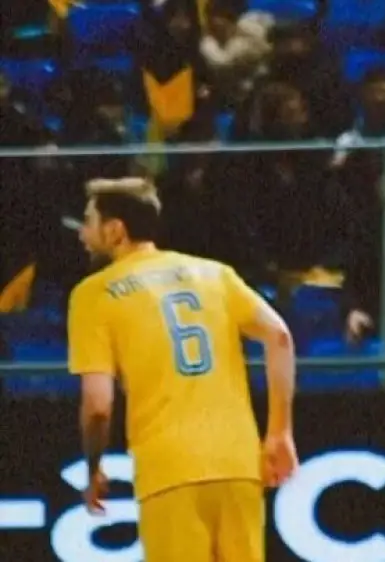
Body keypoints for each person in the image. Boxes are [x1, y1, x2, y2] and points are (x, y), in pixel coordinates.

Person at [68, 177, 298, 562]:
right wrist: (279, 432)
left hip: (169, 470)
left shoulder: (93, 295)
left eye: (89, 221)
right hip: (238, 463)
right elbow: (280, 337)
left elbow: (98, 406)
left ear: (115, 230)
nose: (82, 233)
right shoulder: (215, 273)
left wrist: (93, 468)